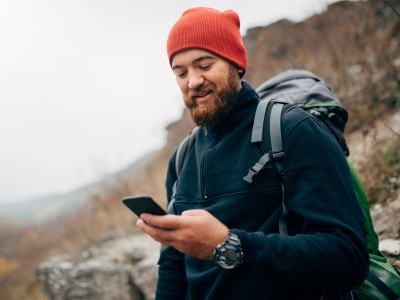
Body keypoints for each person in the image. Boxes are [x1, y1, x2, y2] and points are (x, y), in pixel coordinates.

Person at [136, 7, 369, 300]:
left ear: (236, 65)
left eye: (205, 65)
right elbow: (173, 268)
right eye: (180, 72)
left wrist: (229, 245)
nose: (192, 81)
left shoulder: (293, 130)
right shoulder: (182, 159)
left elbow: (348, 257)